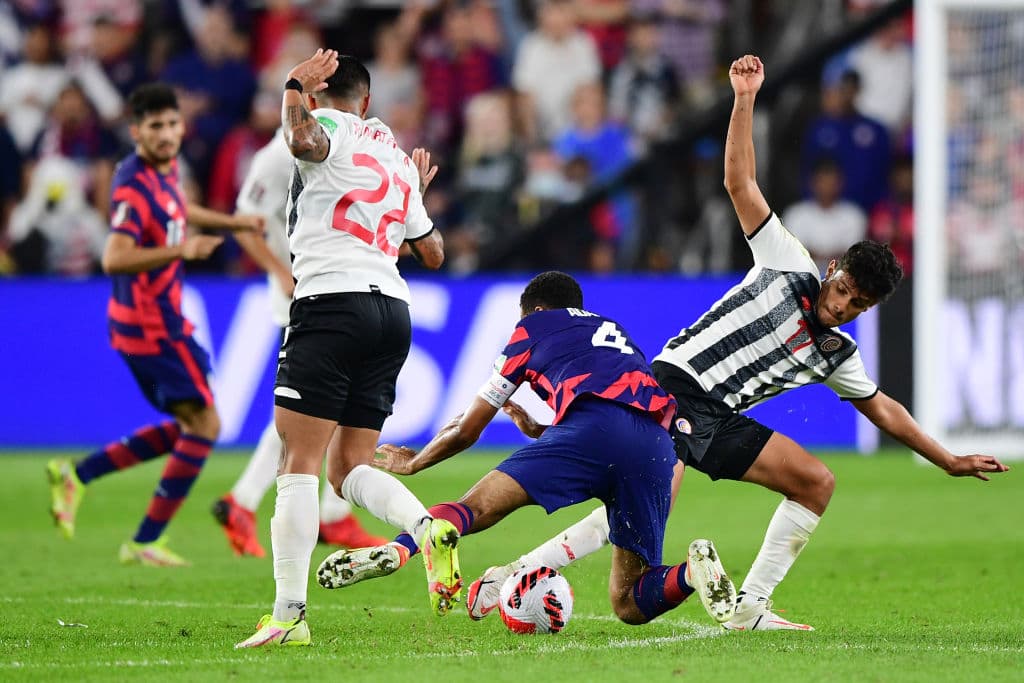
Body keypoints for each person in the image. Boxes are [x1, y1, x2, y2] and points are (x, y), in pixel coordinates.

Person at [458, 55, 1010, 632]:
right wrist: (744, 99)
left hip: (717, 418)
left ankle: (750, 606)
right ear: (832, 268)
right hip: (672, 388)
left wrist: (945, 458)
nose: (843, 306)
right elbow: (738, 182)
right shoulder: (787, 262)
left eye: (858, 306)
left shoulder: (837, 354)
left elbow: (884, 408)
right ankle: (511, 574)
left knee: (815, 482)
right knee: (643, 506)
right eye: (844, 289)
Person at [316, 271, 738, 629]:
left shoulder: (533, 328)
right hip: (657, 447)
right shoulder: (613, 331)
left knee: (475, 509)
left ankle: (403, 547)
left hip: (592, 432)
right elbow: (619, 408)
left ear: (534, 311)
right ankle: (691, 572)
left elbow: (467, 429)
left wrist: (417, 461)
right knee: (628, 602)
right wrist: (541, 428)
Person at [235, 50, 451, 649]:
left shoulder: (328, 124)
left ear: (329, 96)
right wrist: (412, 196)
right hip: (392, 310)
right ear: (369, 100)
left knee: (296, 463)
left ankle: (288, 616)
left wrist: (292, 90)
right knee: (349, 466)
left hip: (331, 303)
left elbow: (303, 142)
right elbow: (433, 253)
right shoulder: (396, 156)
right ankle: (425, 527)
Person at [46, 83, 264, 566]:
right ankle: (144, 539)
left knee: (191, 423)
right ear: (136, 131)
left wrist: (235, 224)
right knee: (205, 423)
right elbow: (114, 256)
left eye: (172, 124)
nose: (166, 134)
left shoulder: (164, 173)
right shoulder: (132, 184)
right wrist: (179, 251)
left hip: (155, 322)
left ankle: (78, 476)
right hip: (150, 325)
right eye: (155, 126)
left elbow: (179, 213)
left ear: (181, 126)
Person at [211, 123, 439, 558]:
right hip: (307, 292)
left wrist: (411, 204)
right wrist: (281, 273)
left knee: (318, 409)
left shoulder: (349, 151)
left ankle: (273, 506)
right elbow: (246, 223)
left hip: (335, 288)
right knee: (311, 413)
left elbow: (381, 236)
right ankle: (265, 504)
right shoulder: (281, 154)